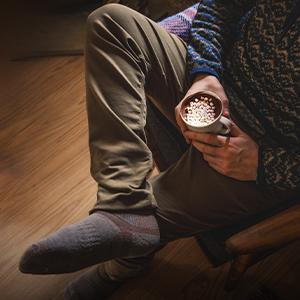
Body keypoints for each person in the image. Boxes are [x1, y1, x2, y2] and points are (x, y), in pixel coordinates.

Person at [19, 1, 300, 299]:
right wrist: (205, 73)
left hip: (269, 149)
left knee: (151, 223)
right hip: (221, 78)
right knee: (111, 21)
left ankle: (121, 266)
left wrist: (267, 164)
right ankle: (124, 203)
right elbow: (221, 5)